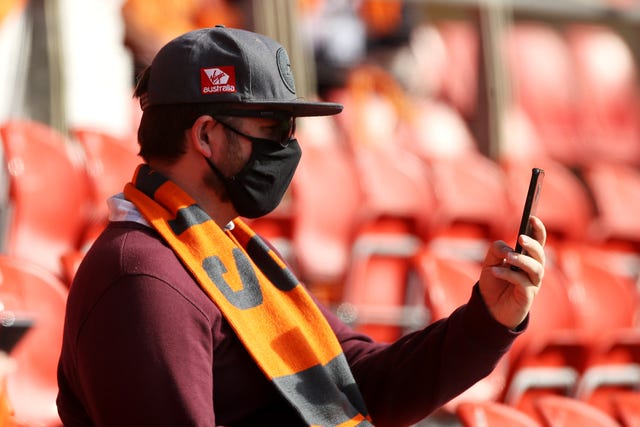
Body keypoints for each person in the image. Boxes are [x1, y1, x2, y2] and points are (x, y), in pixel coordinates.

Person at [56, 25, 546, 427]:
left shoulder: (227, 248)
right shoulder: (143, 278)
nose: (289, 147)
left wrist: (488, 319)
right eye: (273, 129)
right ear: (206, 134)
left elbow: (362, 383)